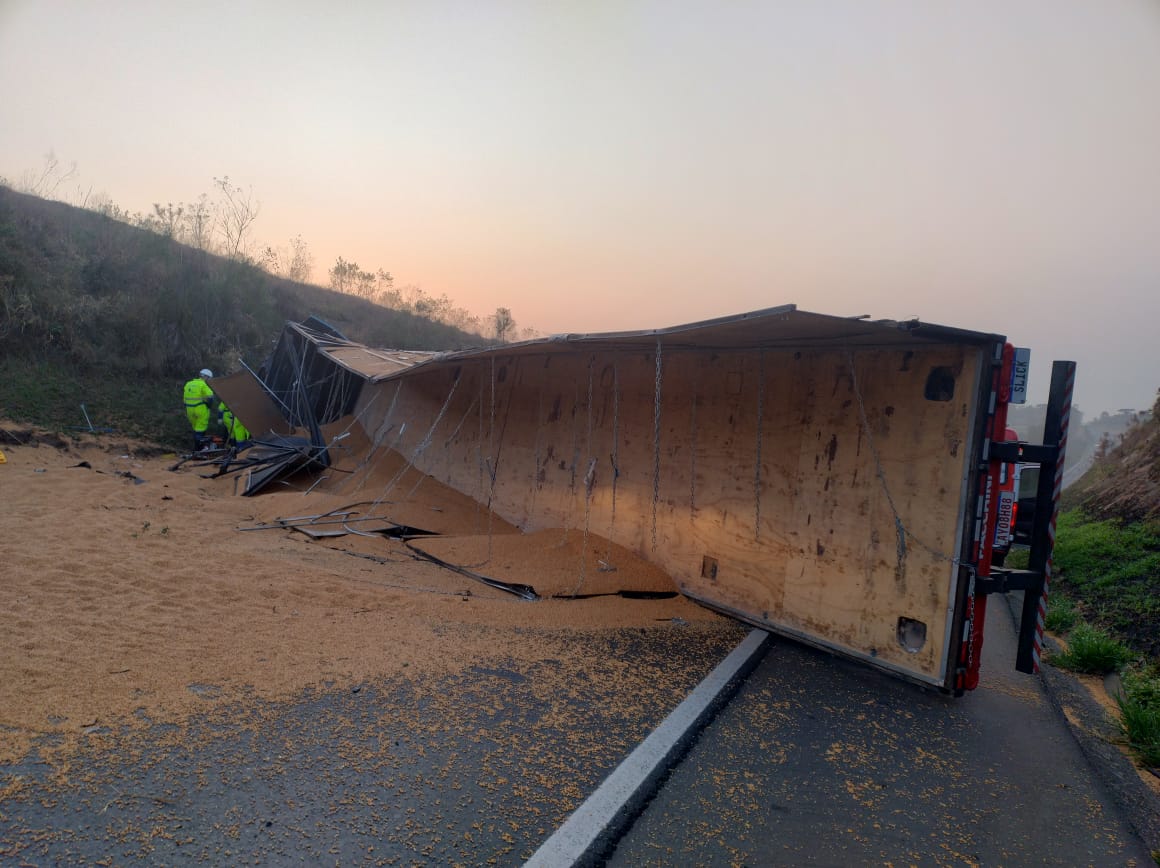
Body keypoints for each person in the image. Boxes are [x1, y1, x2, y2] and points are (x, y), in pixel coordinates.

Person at [183, 368, 216, 451]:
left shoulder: (188, 384)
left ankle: (197, 449)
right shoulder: (203, 385)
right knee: (200, 430)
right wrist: (209, 406)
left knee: (195, 429)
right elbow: (210, 397)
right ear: (206, 377)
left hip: (189, 410)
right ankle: (199, 450)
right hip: (201, 409)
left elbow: (184, 399)